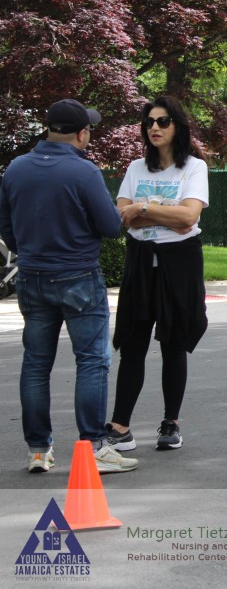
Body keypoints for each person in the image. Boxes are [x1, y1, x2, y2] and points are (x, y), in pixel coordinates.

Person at [0, 99, 138, 474]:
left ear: (49, 129)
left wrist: (28, 250)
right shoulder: (83, 172)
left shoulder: (17, 168)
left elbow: (6, 225)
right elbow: (109, 226)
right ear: (81, 134)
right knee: (92, 361)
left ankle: (38, 449)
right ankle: (94, 447)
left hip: (32, 275)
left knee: (36, 364)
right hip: (78, 275)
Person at [106, 97, 208, 452]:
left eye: (163, 121)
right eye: (149, 122)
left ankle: (171, 424)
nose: (155, 127)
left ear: (177, 126)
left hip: (179, 260)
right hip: (141, 258)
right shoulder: (136, 168)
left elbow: (189, 218)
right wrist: (167, 211)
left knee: (173, 342)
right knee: (132, 342)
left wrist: (144, 208)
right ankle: (120, 427)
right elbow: (123, 216)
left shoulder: (193, 168)